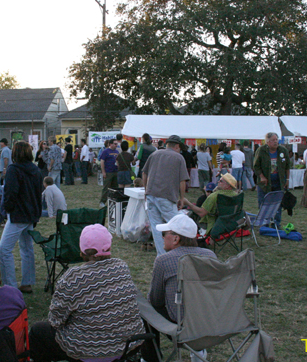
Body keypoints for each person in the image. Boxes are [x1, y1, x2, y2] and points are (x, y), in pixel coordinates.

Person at [30, 224, 144, 362]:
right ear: (108, 247)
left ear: (82, 250)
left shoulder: (73, 277)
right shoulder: (121, 267)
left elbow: (55, 320)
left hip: (89, 351)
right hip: (127, 346)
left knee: (38, 331)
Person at [141, 214, 216, 362]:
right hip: (210, 323)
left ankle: (150, 358)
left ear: (176, 239)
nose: (162, 237)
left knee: (146, 309)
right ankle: (198, 350)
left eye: (164, 234)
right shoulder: (210, 256)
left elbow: (155, 300)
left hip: (181, 326)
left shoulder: (164, 261)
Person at [0, 141, 42, 294]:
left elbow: (10, 193)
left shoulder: (13, 170)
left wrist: (6, 210)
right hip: (31, 214)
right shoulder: (36, 170)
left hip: (18, 215)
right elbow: (38, 194)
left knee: (3, 249)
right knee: (26, 248)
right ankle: (27, 282)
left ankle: (10, 286)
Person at [142, 135, 190, 255]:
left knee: (156, 227)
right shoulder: (179, 158)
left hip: (151, 195)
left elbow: (144, 173)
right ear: (177, 146)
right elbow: (182, 181)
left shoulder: (154, 154)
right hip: (166, 197)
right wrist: (182, 198)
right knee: (176, 226)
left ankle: (162, 255)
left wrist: (145, 190)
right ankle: (179, 254)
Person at [253, 132, 291, 225]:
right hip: (265, 183)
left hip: (279, 182)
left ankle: (276, 224)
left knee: (277, 203)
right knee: (263, 204)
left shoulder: (283, 150)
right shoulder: (261, 150)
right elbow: (256, 166)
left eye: (276, 139)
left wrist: (287, 180)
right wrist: (262, 176)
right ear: (268, 142)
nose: (275, 142)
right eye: (273, 140)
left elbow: (287, 166)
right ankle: (263, 224)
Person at [99, 139, 120, 208]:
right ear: (110, 144)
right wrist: (103, 172)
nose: (116, 145)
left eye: (117, 144)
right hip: (108, 172)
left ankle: (113, 201)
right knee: (106, 187)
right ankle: (102, 201)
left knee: (114, 188)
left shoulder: (117, 152)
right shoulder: (106, 151)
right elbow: (102, 162)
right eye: (115, 144)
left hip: (115, 171)